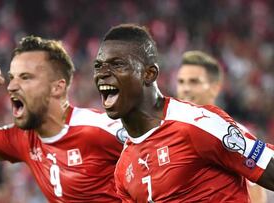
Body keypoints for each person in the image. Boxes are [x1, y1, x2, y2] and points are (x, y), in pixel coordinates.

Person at [93, 23, 274, 202]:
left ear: (149, 74)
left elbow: (268, 168)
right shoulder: (124, 168)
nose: (102, 73)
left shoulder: (198, 124)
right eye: (98, 65)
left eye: (117, 64)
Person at [0, 35, 126, 202]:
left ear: (57, 88)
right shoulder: (23, 139)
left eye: (26, 78)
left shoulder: (98, 129)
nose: (12, 86)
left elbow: (152, 147)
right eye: (12, 78)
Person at [176, 50, 268, 203]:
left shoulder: (234, 135)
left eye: (194, 82)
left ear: (215, 88)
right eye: (181, 82)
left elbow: (256, 194)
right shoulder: (166, 133)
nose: (185, 89)